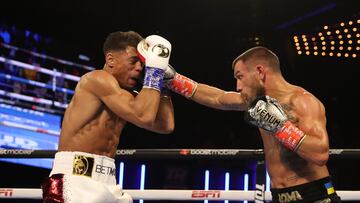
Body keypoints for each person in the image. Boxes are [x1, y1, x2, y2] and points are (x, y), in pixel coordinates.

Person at [160, 46, 341, 202]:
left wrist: (280, 126)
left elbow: (320, 154)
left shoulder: (302, 101)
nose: (238, 86)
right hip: (280, 195)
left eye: (240, 76)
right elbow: (218, 97)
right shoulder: (256, 102)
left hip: (315, 195)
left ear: (260, 72)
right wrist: (174, 80)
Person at [41, 31, 175, 203]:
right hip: (74, 179)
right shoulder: (96, 79)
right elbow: (144, 116)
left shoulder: (127, 97)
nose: (140, 68)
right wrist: (154, 73)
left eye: (143, 64)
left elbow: (165, 125)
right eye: (134, 61)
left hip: (109, 181)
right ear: (111, 60)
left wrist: (163, 86)